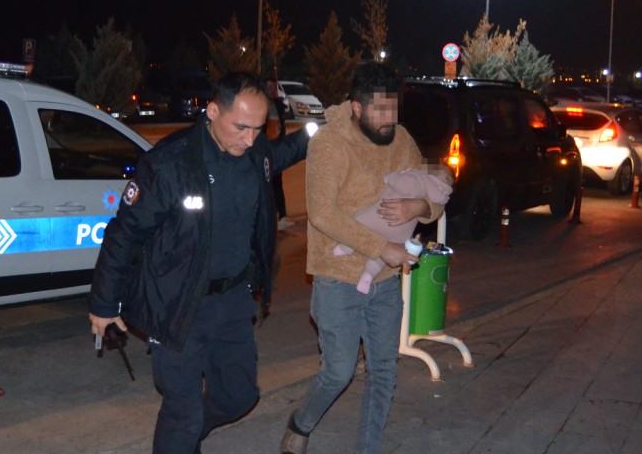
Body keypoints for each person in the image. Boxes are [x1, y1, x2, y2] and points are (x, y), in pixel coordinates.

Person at [88, 71, 309, 453]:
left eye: (259, 128)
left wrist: (321, 132)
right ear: (212, 111)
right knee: (182, 412)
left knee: (240, 396)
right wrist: (104, 304)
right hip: (177, 303)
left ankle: (186, 437)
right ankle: (182, 436)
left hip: (233, 301)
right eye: (241, 127)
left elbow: (284, 151)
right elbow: (125, 233)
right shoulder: (170, 164)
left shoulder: (255, 153)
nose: (250, 139)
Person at [281, 63, 443, 454]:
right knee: (338, 372)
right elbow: (322, 213)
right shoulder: (329, 143)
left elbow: (434, 191)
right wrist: (381, 248)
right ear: (356, 107)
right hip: (337, 277)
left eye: (394, 109)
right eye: (380, 110)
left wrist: (419, 207)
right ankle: (301, 422)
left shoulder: (401, 139)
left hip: (385, 281)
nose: (390, 119)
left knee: (384, 371)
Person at [266, 77, 294, 231]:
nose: (273, 91)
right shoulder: (262, 106)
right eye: (270, 87)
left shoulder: (277, 105)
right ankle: (271, 219)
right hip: (266, 150)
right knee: (268, 186)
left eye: (275, 87)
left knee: (277, 184)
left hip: (276, 149)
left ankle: (282, 217)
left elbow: (280, 126)